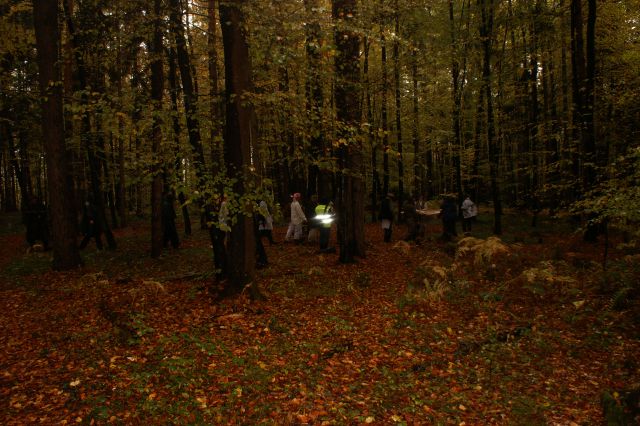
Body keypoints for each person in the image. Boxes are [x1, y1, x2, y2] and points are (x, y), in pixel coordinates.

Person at [205, 197, 228, 281]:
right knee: (219, 252)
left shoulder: (219, 204)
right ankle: (220, 273)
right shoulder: (209, 206)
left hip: (219, 231)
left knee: (221, 251)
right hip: (216, 232)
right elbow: (210, 220)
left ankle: (223, 271)